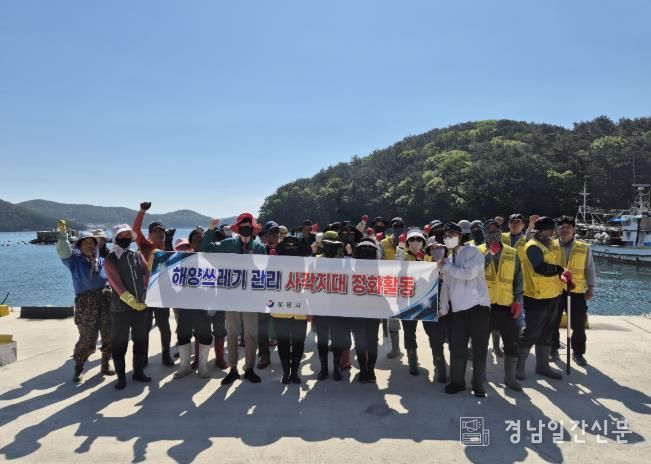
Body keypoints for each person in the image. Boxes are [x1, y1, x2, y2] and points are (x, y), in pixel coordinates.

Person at [202, 213, 267, 385]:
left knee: (251, 334)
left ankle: (249, 368)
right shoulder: (228, 243)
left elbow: (266, 271)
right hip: (231, 296)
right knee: (232, 334)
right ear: (238, 228)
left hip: (251, 297)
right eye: (243, 226)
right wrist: (210, 230)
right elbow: (206, 250)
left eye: (249, 227)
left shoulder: (259, 247)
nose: (246, 229)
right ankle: (233, 369)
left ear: (253, 229)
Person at [438, 222, 491, 397]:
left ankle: (478, 384)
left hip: (478, 308)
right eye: (446, 235)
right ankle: (457, 382)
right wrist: (443, 308)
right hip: (458, 311)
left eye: (452, 234)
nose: (448, 237)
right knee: (457, 348)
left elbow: (469, 273)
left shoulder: (473, 251)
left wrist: (446, 267)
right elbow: (446, 287)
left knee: (479, 348)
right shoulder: (447, 259)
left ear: (461, 236)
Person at [56, 220, 114, 382]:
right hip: (86, 303)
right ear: (80, 246)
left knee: (109, 334)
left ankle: (105, 364)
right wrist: (62, 236)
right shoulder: (74, 260)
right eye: (86, 243)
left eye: (92, 243)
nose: (89, 245)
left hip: (105, 300)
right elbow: (64, 250)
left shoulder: (101, 261)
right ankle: (79, 368)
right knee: (87, 337)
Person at [516, 216, 567, 381]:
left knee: (547, 333)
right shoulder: (533, 246)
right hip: (536, 297)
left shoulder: (546, 246)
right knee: (531, 332)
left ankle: (542, 366)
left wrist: (562, 275)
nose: (553, 234)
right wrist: (560, 269)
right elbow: (540, 268)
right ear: (544, 231)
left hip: (552, 295)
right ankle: (518, 367)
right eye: (551, 231)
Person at [477, 220, 524, 391]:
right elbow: (472, 276)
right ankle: (480, 375)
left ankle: (510, 378)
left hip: (506, 305)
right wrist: (488, 254)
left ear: (500, 231)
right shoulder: (477, 251)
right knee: (481, 343)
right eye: (489, 231)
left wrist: (518, 300)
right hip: (484, 305)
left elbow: (518, 278)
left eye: (495, 230)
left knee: (511, 343)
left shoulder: (512, 252)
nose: (492, 234)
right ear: (484, 233)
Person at [103, 224, 151, 390]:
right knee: (119, 343)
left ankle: (138, 372)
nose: (125, 238)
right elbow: (117, 285)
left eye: (127, 235)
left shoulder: (137, 255)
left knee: (140, 340)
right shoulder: (110, 259)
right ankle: (121, 378)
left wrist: (156, 265)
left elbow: (147, 272)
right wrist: (132, 302)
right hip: (120, 309)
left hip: (141, 307)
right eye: (121, 235)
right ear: (115, 238)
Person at [398, 229, 449, 383]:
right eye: (412, 239)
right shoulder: (402, 256)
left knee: (434, 334)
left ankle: (439, 364)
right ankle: (412, 362)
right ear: (407, 242)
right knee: (409, 332)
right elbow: (397, 268)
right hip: (408, 302)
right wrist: (400, 248)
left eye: (419, 239)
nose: (416, 242)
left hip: (428, 302)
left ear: (423, 242)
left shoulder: (429, 256)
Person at [132, 202, 174, 367]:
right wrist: (142, 211)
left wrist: (169, 241)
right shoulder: (145, 245)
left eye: (162, 231)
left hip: (162, 293)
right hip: (146, 293)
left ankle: (166, 355)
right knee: (145, 328)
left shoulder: (166, 247)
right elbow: (135, 230)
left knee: (165, 327)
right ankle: (143, 357)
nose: (160, 234)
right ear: (150, 234)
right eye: (156, 231)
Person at [551, 215, 596, 367]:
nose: (565, 230)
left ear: (574, 230)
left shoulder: (584, 247)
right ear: (557, 230)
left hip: (576, 291)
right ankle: (553, 349)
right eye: (562, 227)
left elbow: (590, 269)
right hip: (555, 290)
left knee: (578, 324)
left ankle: (578, 353)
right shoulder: (550, 245)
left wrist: (590, 288)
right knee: (552, 322)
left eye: (568, 227)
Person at [173, 228, 214, 379]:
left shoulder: (212, 259)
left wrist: (213, 303)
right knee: (183, 334)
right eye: (195, 240)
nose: (198, 242)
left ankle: (202, 366)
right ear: (190, 243)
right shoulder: (182, 259)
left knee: (205, 335)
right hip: (185, 303)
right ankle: (185, 366)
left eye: (201, 240)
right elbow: (174, 279)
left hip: (203, 304)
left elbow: (216, 283)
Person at [271, 236, 308, 384]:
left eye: (294, 246)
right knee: (283, 342)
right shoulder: (274, 262)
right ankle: (286, 372)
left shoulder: (306, 262)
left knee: (299, 342)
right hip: (281, 309)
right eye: (288, 246)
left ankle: (295, 372)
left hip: (300, 309)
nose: (291, 248)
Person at [314, 230, 349, 381]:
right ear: (323, 245)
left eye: (334, 245)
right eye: (328, 245)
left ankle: (337, 368)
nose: (330, 248)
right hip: (321, 306)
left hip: (338, 306)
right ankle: (323, 368)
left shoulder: (344, 262)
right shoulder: (316, 260)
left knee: (337, 339)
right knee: (322, 339)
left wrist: (348, 256)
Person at [351, 238, 383, 383]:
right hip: (361, 310)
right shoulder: (352, 267)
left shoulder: (380, 269)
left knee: (366, 341)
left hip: (369, 310)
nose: (366, 253)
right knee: (367, 341)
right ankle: (367, 370)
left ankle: (368, 370)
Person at [379, 217, 406, 359]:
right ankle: (396, 348)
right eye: (395, 226)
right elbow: (379, 261)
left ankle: (412, 351)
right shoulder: (384, 242)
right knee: (392, 317)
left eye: (400, 226)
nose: (398, 228)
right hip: (390, 284)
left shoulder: (410, 241)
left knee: (410, 321)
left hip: (408, 285)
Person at [257, 221, 282, 369]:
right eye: (271, 232)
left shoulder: (285, 249)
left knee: (282, 326)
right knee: (262, 326)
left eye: (277, 232)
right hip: (264, 293)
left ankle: (284, 357)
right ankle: (264, 355)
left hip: (281, 293)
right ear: (266, 235)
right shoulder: (260, 250)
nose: (275, 235)